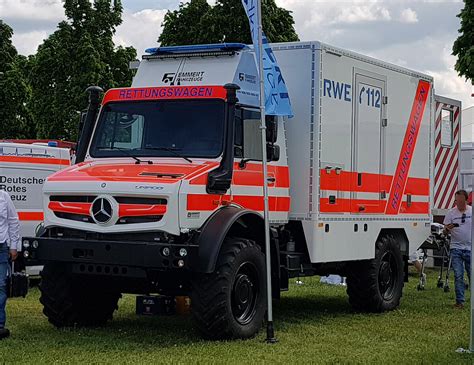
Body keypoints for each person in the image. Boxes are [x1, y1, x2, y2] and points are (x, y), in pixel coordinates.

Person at [444, 189, 472, 309]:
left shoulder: (472, 211)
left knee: (472, 274)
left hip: (471, 248)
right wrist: (447, 229)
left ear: (466, 200)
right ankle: (460, 301)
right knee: (458, 275)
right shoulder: (451, 213)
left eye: (461, 201)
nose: (459, 203)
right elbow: (444, 231)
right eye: (457, 201)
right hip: (456, 248)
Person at [0, 189, 21, 339]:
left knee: (1, 285)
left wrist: (14, 246)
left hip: (1, 247)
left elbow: (13, 220)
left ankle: (0, 325)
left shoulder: (4, 196)